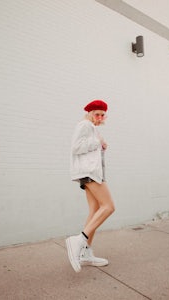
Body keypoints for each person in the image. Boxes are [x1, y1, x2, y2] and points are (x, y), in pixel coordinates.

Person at [66, 99, 115, 273]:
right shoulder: (85, 125)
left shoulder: (92, 128)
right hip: (90, 173)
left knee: (95, 211)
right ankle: (78, 240)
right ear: (89, 112)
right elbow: (76, 148)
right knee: (108, 207)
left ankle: (86, 253)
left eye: (102, 115)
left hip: (93, 173)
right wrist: (97, 143)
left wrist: (100, 144)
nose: (100, 118)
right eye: (97, 114)